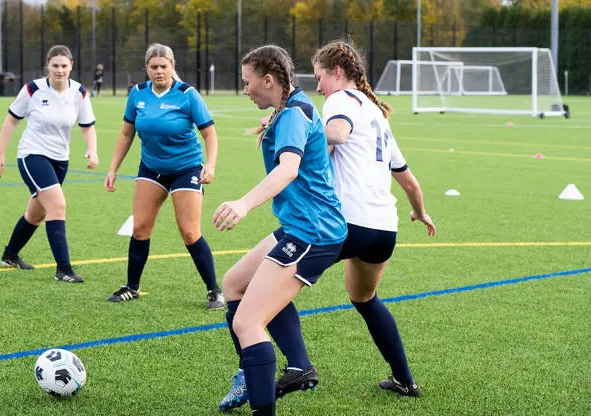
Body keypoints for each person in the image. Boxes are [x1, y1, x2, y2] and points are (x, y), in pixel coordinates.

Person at [214, 45, 347, 416]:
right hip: (300, 226)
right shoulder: (291, 108)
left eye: (247, 82)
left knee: (247, 321)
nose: (244, 90)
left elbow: (288, 169)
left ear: (268, 80)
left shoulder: (293, 114)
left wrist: (242, 204)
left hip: (313, 232)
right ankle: (290, 367)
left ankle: (262, 401)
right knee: (234, 283)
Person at [314, 39, 434, 397]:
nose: (318, 86)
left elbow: (335, 134)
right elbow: (409, 180)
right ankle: (404, 379)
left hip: (346, 223)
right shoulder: (376, 112)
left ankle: (294, 367)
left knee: (262, 285)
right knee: (364, 298)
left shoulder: (339, 101)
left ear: (337, 72)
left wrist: (293, 130)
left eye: (319, 77)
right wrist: (420, 211)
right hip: (384, 229)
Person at [103, 43, 224, 310]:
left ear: (172, 66)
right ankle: (131, 287)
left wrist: (211, 165)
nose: (159, 71)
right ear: (147, 68)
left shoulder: (188, 95)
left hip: (187, 169)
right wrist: (113, 168)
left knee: (190, 232)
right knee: (140, 228)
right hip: (151, 168)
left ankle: (214, 290)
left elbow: (210, 133)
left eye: (164, 66)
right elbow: (126, 134)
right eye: (154, 67)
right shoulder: (137, 94)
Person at [0, 45, 98, 284]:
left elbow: (87, 126)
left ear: (71, 66)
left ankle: (10, 255)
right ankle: (63, 270)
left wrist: (92, 150)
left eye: (64, 66)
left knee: (37, 213)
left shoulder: (79, 93)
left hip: (60, 160)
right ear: (48, 66)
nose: (59, 70)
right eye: (55, 66)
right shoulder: (32, 90)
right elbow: (10, 121)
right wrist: (0, 156)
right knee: (58, 206)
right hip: (32, 155)